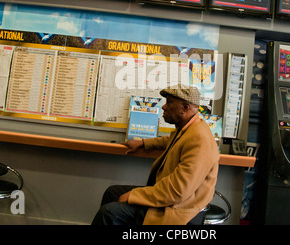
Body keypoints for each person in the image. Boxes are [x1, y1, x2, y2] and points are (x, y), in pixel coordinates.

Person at [92, 84, 220, 225]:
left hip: (180, 207)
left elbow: (178, 191)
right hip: (173, 198)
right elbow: (170, 141)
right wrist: (143, 143)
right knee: (112, 192)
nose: (164, 107)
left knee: (109, 213)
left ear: (185, 108)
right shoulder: (189, 129)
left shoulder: (199, 139)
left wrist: (135, 195)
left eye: (169, 102)